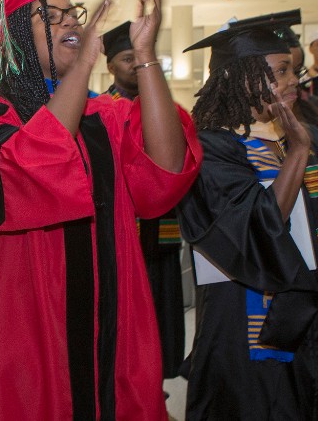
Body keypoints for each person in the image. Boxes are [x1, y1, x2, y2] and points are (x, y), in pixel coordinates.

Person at [0, 0, 199, 419]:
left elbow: (167, 168)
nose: (70, 21)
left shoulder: (105, 115)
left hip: (114, 307)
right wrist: (86, 62)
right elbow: (20, 175)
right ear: (16, 39)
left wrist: (146, 56)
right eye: (50, 16)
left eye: (73, 12)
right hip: (29, 314)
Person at [176, 10, 318, 420]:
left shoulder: (305, 133)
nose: (293, 80)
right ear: (241, 78)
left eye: (293, 70)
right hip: (251, 323)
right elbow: (254, 231)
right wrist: (297, 153)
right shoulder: (212, 148)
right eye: (280, 71)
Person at [101, 19, 187, 382]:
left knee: (163, 312)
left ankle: (159, 385)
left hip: (162, 231)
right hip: (123, 234)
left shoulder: (162, 107)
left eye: (139, 57)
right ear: (110, 66)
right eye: (126, 58)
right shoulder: (100, 110)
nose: (135, 64)